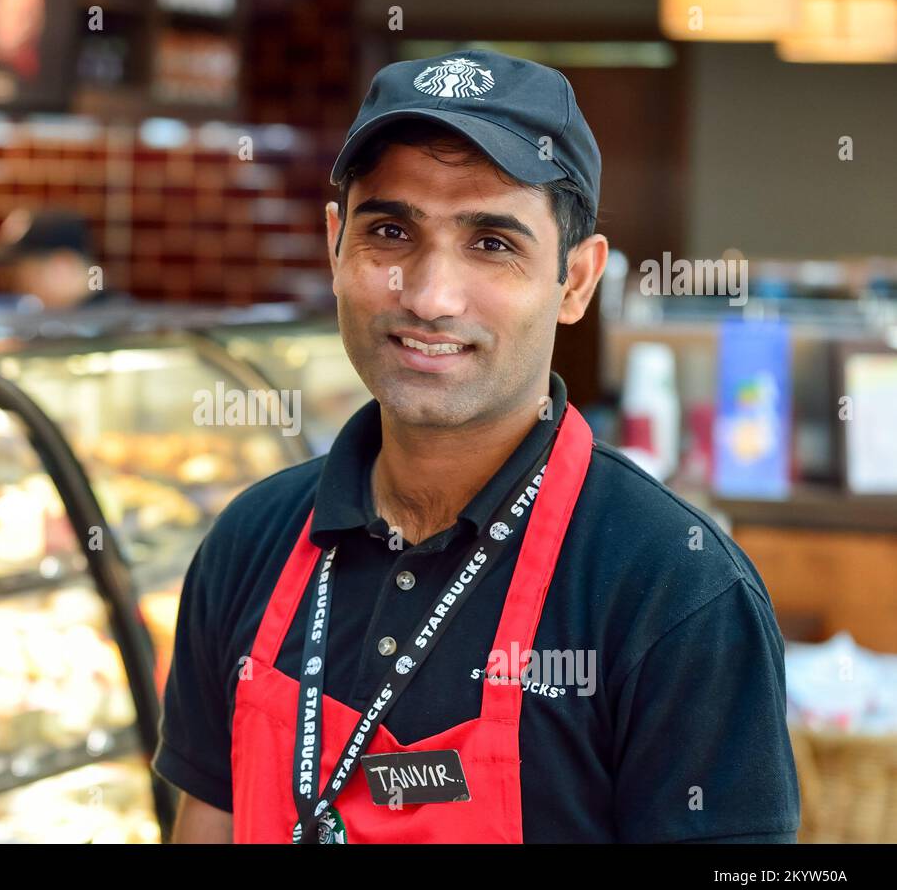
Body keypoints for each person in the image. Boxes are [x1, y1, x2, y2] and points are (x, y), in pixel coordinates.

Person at [153, 49, 800, 844]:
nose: (428, 296)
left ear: (575, 281)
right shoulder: (248, 541)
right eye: (390, 231)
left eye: (492, 243)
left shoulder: (677, 590)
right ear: (334, 245)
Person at [0, 209, 129, 311]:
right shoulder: (70, 319)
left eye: (25, 271)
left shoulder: (117, 329)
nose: (20, 285)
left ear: (62, 265)